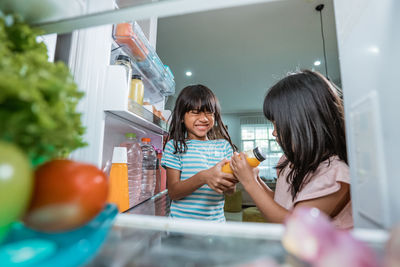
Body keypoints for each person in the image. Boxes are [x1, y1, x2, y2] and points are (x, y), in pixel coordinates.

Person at [230, 70, 353, 229]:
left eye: (277, 124)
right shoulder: (289, 162)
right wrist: (254, 178)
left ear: (304, 123)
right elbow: (280, 206)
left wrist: (249, 182)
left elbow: (293, 226)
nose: (274, 132)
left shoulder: (335, 175)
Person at [161, 84, 237, 221]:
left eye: (209, 112)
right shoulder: (175, 146)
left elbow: (231, 191)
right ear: (182, 117)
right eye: (195, 112)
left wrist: (234, 181)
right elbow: (173, 192)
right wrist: (203, 177)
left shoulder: (224, 147)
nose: (204, 118)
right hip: (181, 229)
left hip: (215, 227)